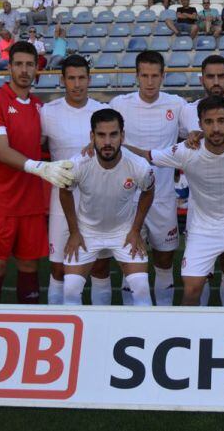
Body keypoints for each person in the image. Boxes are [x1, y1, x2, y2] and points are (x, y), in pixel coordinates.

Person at [126, 96, 224, 306]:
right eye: (209, 122)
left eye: (221, 121)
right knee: (192, 290)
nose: (216, 128)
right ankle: (188, 335)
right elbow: (148, 156)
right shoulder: (187, 151)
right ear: (200, 124)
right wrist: (113, 145)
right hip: (202, 229)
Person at [0, 41, 74, 305]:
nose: (24, 70)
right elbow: (1, 150)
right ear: (9, 68)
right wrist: (40, 167)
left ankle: (27, 325)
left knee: (30, 269)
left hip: (30, 204)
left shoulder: (40, 108)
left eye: (29, 64)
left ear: (37, 70)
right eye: (18, 64)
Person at [108, 51, 186, 306]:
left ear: (163, 76)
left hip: (163, 199)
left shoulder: (177, 105)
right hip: (126, 200)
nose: (150, 82)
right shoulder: (120, 104)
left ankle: (163, 315)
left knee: (164, 262)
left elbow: (196, 134)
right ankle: (130, 316)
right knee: (130, 261)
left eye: (155, 76)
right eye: (145, 76)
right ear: (137, 76)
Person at [60, 109, 154, 306]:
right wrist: (74, 232)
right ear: (92, 136)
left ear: (123, 136)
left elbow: (148, 191)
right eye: (101, 135)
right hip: (87, 232)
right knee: (70, 290)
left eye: (114, 134)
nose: (108, 142)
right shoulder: (79, 164)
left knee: (142, 287)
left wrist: (136, 229)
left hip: (124, 232)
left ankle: (143, 333)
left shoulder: (139, 166)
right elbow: (65, 191)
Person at [40, 55, 111, 305]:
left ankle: (102, 325)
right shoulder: (47, 113)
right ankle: (59, 326)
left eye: (82, 78)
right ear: (62, 80)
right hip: (62, 201)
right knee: (59, 269)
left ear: (89, 79)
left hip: (97, 201)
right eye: (71, 78)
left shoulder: (103, 112)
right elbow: (29, 147)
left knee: (100, 267)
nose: (77, 84)